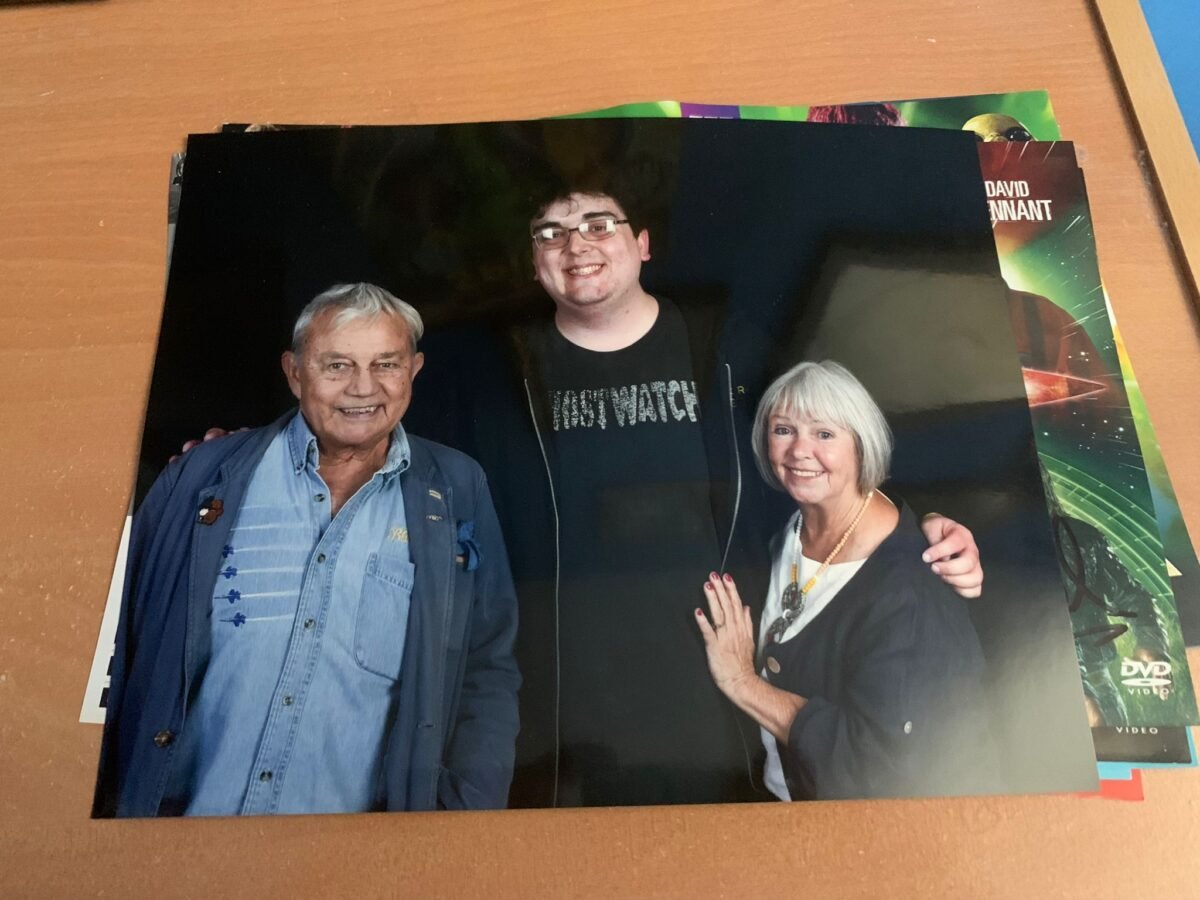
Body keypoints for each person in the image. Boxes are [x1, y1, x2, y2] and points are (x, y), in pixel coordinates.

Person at [94, 283, 520, 817]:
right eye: (336, 366)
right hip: (179, 844)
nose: (363, 388)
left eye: (386, 364)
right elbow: (114, 643)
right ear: (295, 373)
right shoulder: (205, 475)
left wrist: (467, 818)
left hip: (351, 864)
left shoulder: (457, 488)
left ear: (413, 370)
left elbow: (487, 668)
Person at [696, 360, 995, 800]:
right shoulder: (786, 529)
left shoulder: (909, 593)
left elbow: (874, 767)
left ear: (862, 444)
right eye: (783, 430)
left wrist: (744, 684)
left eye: (824, 433)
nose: (799, 451)